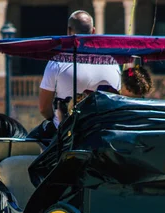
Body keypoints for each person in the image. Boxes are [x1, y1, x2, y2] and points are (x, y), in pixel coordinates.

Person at [30, 10, 121, 139]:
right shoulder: (113, 63)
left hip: (68, 135)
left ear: (69, 31)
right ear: (94, 31)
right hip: (103, 133)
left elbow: (44, 108)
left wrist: (56, 120)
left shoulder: (57, 61)